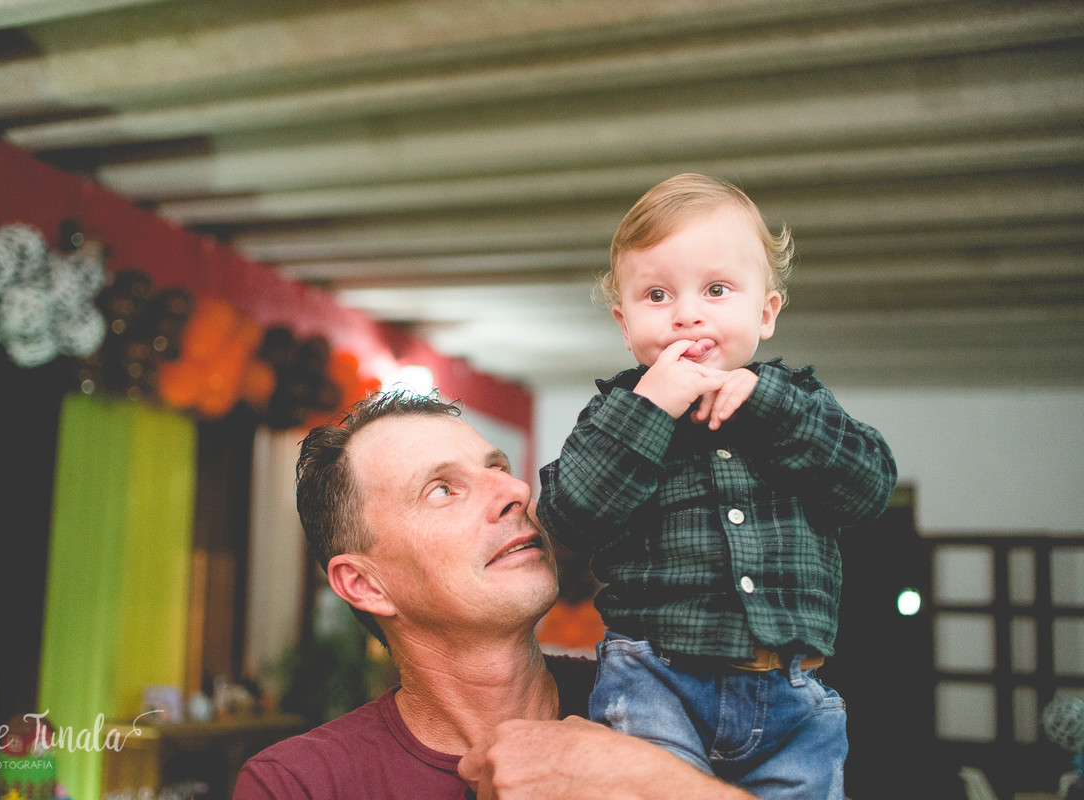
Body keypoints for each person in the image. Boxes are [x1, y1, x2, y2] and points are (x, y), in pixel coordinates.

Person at [537, 173, 898, 799]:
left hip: (793, 696)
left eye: (716, 289)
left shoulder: (800, 404)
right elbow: (571, 516)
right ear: (625, 324)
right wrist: (649, 409)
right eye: (657, 295)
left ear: (766, 313)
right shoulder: (615, 414)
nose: (687, 314)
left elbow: (868, 490)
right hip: (655, 681)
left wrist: (772, 407)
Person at [233, 391, 755, 800]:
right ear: (365, 585)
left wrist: (650, 784)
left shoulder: (687, 700)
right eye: (442, 489)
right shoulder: (299, 784)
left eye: (499, 468)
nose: (517, 491)